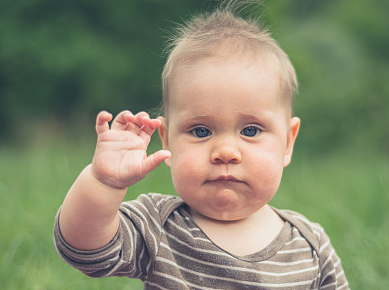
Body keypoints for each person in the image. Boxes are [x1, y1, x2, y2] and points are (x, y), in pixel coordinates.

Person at [54, 2, 349, 289]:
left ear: (287, 142)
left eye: (250, 130)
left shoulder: (310, 247)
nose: (225, 152)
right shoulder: (157, 226)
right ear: (167, 140)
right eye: (200, 131)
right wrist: (103, 182)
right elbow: (86, 252)